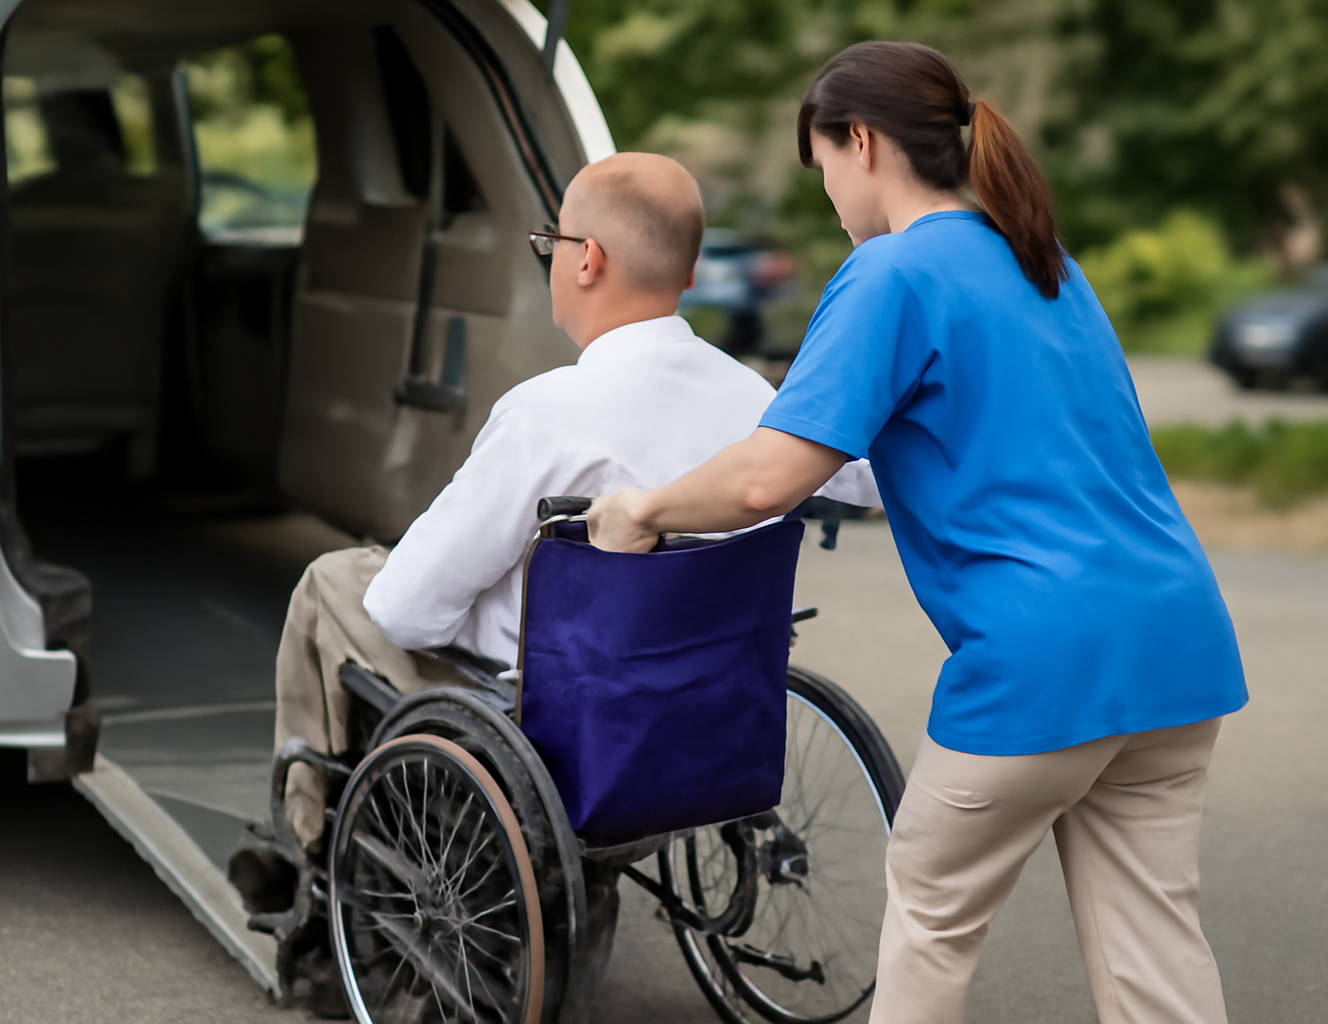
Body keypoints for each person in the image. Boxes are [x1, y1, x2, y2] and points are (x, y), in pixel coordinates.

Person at [588, 42, 1248, 1024]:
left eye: (825, 171)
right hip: (1176, 644)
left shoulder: (887, 271)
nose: (831, 200)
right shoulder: (1045, 260)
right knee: (1155, 958)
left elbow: (771, 474)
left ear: (862, 141)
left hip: (1043, 660)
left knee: (930, 920)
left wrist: (641, 508)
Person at [271, 152, 878, 861]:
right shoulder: (752, 397)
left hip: (558, 712)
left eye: (551, 242)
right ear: (688, 274)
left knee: (335, 582)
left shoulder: (547, 413)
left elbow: (407, 613)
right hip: (704, 693)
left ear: (586, 260)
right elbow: (853, 480)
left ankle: (304, 848)